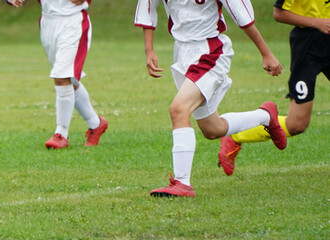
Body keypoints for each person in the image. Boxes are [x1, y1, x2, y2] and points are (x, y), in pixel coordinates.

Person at [134, 0, 286, 197]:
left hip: (210, 52)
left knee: (178, 110)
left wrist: (266, 53)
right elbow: (147, 7)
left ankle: (182, 183)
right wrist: (149, 49)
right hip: (182, 53)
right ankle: (265, 116)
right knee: (213, 129)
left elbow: (240, 13)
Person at [218, 0, 330, 176]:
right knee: (297, 124)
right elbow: (279, 14)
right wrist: (318, 22)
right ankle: (236, 136)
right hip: (308, 47)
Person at [6, 0, 108, 149]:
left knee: (61, 76)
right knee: (67, 79)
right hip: (48, 22)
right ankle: (95, 123)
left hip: (72, 20)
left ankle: (61, 134)